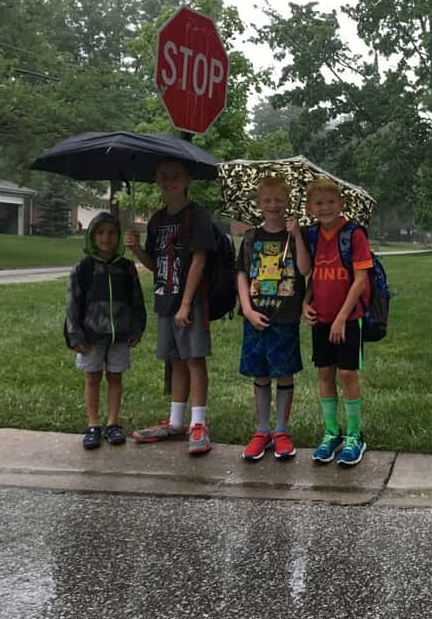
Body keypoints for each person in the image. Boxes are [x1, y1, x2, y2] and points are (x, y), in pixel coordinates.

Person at [125, 159, 216, 455]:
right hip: (165, 298)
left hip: (189, 301)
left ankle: (198, 423)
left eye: (175, 176)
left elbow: (200, 260)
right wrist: (137, 249)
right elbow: (155, 263)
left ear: (188, 180)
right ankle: (177, 421)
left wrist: (186, 304)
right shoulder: (157, 220)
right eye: (163, 176)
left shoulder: (197, 216)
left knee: (194, 358)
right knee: (176, 360)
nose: (169, 182)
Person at [236, 176, 309, 462]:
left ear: (288, 203)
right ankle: (262, 430)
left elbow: (304, 269)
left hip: (285, 317)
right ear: (258, 204)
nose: (273, 205)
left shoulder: (295, 236)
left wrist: (299, 235)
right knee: (261, 373)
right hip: (256, 315)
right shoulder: (251, 237)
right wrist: (247, 309)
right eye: (267, 200)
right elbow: (241, 274)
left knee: (284, 372)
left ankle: (281, 431)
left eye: (279, 199)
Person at [302, 178, 372, 466]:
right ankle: (331, 432)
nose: (325, 207)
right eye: (319, 203)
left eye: (330, 201)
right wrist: (306, 302)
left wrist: (343, 317)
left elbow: (360, 280)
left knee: (347, 374)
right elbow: (312, 273)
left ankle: (355, 435)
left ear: (341, 204)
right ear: (310, 207)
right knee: (325, 373)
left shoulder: (353, 234)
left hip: (348, 318)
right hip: (321, 317)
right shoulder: (312, 235)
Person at [64, 212, 146, 449]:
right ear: (92, 236)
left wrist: (136, 329)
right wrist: (75, 335)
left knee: (115, 377)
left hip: (120, 334)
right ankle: (93, 425)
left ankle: (112, 423)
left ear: (118, 237)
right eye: (100, 232)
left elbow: (137, 302)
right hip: (90, 336)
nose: (106, 238)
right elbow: (72, 304)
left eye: (111, 233)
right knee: (92, 378)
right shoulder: (84, 268)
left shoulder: (127, 268)